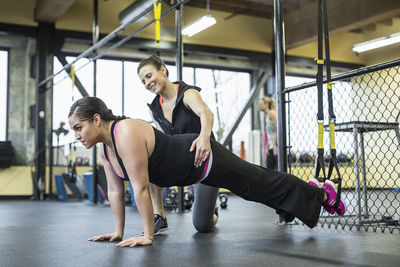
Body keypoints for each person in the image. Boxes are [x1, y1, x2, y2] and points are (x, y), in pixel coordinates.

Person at [68, 96, 346, 247]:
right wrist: (117, 233)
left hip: (201, 157)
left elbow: (140, 187)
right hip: (190, 173)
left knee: (257, 182)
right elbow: (116, 191)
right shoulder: (105, 149)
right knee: (253, 190)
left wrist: (147, 235)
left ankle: (321, 194)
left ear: (96, 119)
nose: (77, 135)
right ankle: (310, 197)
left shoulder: (124, 131)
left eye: (79, 128)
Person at [137, 55, 219, 234]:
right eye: (143, 81)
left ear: (163, 70)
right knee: (149, 159)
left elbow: (207, 114)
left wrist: (204, 138)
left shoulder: (187, 94)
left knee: (203, 225)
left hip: (204, 159)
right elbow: (161, 139)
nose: (147, 83)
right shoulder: (155, 109)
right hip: (181, 159)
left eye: (149, 76)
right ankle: (160, 216)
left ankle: (211, 209)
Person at [259, 96, 278, 169]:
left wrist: (275, 145)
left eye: (261, 103)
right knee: (268, 170)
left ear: (266, 104)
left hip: (275, 147)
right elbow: (270, 134)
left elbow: (277, 129)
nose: (259, 105)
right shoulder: (267, 116)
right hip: (271, 147)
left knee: (278, 170)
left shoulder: (272, 113)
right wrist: (267, 147)